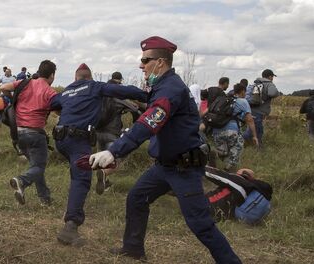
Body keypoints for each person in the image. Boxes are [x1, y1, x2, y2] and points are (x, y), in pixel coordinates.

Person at [88, 36, 241, 262]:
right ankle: (133, 249)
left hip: (184, 169)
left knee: (200, 224)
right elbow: (146, 103)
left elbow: (150, 122)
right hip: (164, 167)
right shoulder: (162, 86)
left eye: (145, 59)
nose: (141, 65)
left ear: (160, 62)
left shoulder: (170, 89)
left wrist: (114, 151)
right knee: (137, 198)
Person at [49, 63, 147, 246]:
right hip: (78, 139)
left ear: (75, 76)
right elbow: (124, 91)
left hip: (60, 140)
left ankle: (72, 207)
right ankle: (70, 227)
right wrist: (149, 95)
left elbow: (52, 104)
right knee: (82, 179)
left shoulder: (67, 90)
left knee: (76, 175)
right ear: (89, 77)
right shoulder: (95, 86)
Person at [1, 60, 58, 206]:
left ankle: (45, 198)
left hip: (18, 133)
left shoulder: (24, 83)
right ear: (52, 75)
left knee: (35, 167)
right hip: (35, 134)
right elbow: (58, 110)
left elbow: (3, 86)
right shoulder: (50, 91)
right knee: (39, 166)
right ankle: (22, 181)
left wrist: (14, 99)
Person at [211, 83, 259, 172]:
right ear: (242, 91)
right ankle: (227, 170)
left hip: (216, 131)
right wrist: (255, 136)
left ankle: (216, 153)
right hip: (232, 131)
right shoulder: (243, 101)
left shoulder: (224, 100)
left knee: (223, 152)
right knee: (237, 149)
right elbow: (250, 120)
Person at [205, 167, 273, 222]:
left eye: (237, 172)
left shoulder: (240, 182)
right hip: (219, 217)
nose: (235, 173)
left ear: (243, 174)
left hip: (205, 206)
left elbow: (215, 175)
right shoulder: (248, 192)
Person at [243, 69, 279, 145]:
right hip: (259, 112)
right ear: (270, 76)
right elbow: (273, 93)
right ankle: (258, 149)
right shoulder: (269, 83)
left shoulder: (256, 83)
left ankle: (245, 144)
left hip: (251, 110)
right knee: (258, 131)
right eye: (272, 77)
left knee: (251, 130)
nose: (272, 78)